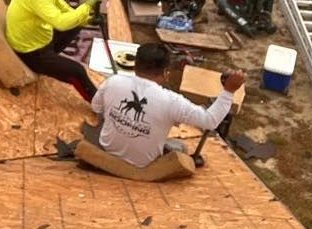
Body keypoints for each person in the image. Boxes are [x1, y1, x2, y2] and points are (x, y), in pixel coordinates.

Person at [91, 43, 246, 168]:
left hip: (107, 148)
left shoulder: (113, 82)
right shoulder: (172, 101)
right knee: (180, 148)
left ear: (135, 65)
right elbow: (209, 121)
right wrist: (228, 91)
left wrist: (122, 122)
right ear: (165, 72)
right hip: (141, 164)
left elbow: (96, 107)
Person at [5, 0, 99, 102]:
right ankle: (98, 103)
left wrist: (85, 19)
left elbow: (66, 10)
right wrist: (87, 6)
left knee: (75, 23)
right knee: (78, 71)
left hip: (37, 40)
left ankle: (53, 61)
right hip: (30, 53)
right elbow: (61, 23)